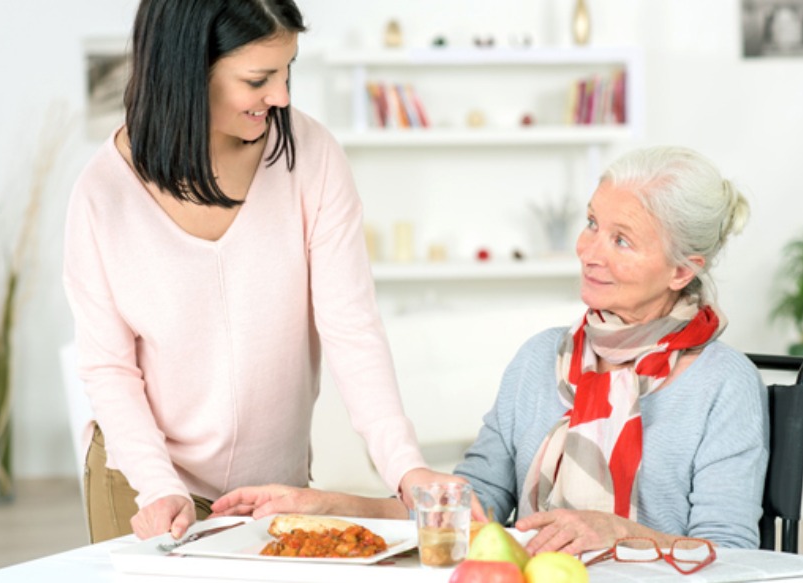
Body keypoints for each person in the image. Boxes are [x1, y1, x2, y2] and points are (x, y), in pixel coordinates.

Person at [212, 145, 769, 555]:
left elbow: (734, 556)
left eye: (620, 239)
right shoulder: (539, 359)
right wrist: (329, 507)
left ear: (682, 270)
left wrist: (620, 531)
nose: (589, 252)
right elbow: (469, 508)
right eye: (592, 224)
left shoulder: (724, 383)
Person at [62, 0, 464, 543]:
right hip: (143, 483)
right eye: (258, 79)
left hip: (273, 492)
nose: (282, 96)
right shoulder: (102, 194)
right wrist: (159, 487)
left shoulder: (312, 158)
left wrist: (403, 468)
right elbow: (109, 367)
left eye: (287, 70)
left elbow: (351, 327)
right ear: (187, 70)